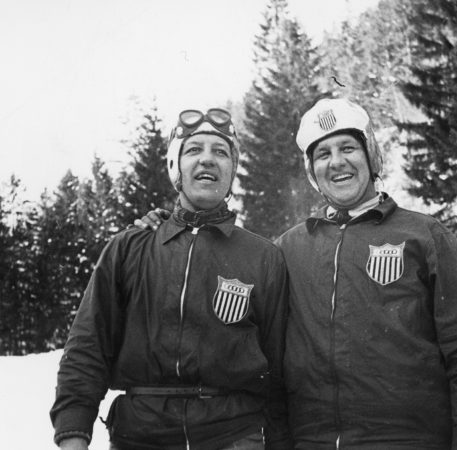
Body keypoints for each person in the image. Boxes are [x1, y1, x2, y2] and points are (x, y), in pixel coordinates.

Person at [138, 98, 457, 449]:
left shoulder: (425, 236)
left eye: (348, 148)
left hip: (410, 440)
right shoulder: (286, 249)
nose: (337, 162)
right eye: (323, 154)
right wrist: (173, 231)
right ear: (312, 171)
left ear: (371, 156)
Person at [50, 108, 291, 450]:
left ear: (232, 171)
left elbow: (279, 371)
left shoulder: (263, 256)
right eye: (194, 150)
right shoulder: (129, 247)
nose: (207, 160)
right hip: (140, 435)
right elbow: (88, 347)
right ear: (174, 167)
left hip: (234, 436)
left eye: (220, 152)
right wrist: (73, 432)